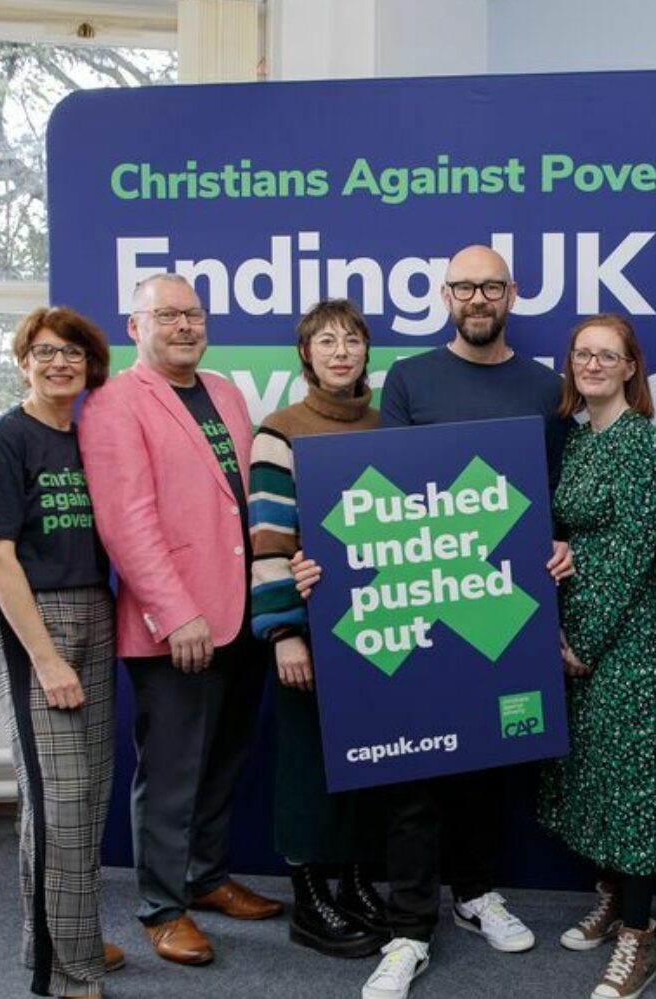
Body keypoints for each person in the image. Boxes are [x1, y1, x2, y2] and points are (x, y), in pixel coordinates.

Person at [362, 243, 575, 999]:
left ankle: (476, 892)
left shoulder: (545, 386)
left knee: (487, 758)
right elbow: (388, 492)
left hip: (502, 601)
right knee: (416, 772)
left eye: (490, 286)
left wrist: (556, 546)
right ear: (444, 294)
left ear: (512, 293)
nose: (477, 298)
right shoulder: (411, 378)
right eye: (464, 287)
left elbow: (552, 495)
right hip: (422, 593)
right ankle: (409, 929)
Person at [79, 274, 282, 968]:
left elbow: (238, 501)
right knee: (170, 772)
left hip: (240, 612)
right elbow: (126, 523)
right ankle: (163, 908)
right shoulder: (112, 405)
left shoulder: (224, 392)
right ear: (135, 327)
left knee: (224, 757)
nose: (185, 325)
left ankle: (205, 876)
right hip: (177, 623)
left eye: (194, 313)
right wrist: (176, 612)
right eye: (166, 315)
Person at [0, 306, 123, 998]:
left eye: (75, 355)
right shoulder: (5, 438)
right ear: (23, 360)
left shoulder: (87, 437)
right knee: (61, 794)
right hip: (31, 618)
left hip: (93, 605)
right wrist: (48, 659)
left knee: (94, 790)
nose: (61, 364)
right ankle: (64, 965)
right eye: (47, 352)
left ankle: (66, 931)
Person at [247, 300, 389, 959]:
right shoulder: (280, 430)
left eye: (352, 339)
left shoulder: (388, 424)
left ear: (366, 351)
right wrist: (285, 633)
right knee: (307, 762)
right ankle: (308, 896)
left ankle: (356, 879)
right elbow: (269, 539)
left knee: (370, 759)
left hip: (381, 623)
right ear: (306, 354)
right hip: (312, 626)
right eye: (326, 340)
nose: (340, 350)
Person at [536, 315, 656, 999]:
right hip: (573, 628)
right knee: (592, 772)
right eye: (582, 353)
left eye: (606, 355)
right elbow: (577, 539)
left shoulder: (639, 442)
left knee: (630, 781)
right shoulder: (581, 437)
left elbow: (630, 554)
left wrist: (581, 644)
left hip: (620, 638)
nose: (591, 363)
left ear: (629, 368)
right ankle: (613, 895)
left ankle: (638, 937)